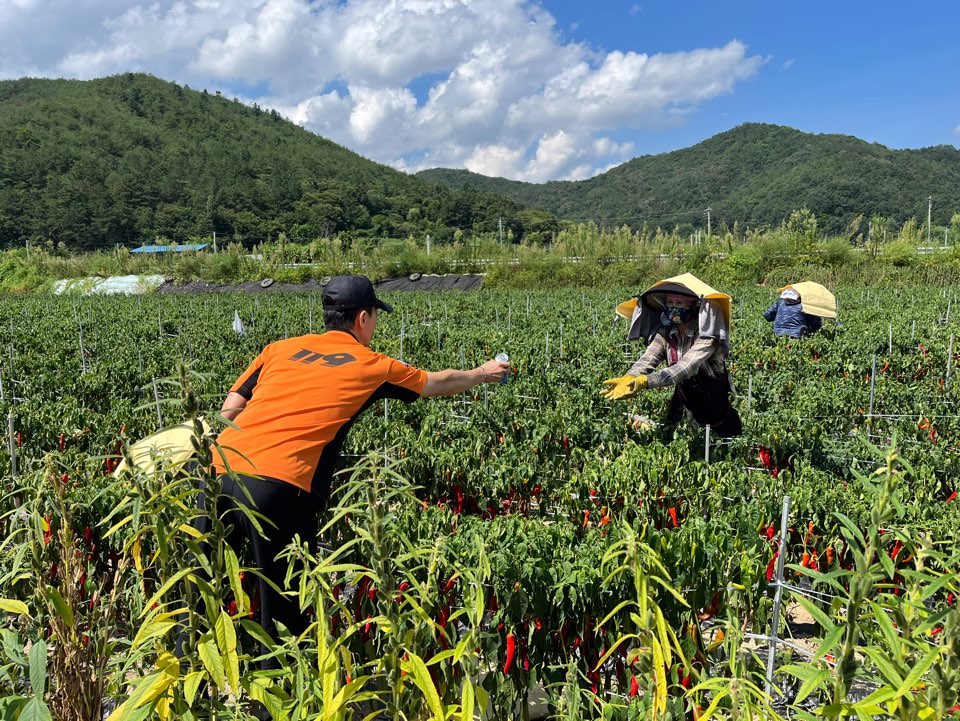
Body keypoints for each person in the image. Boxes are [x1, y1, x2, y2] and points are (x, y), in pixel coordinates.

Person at [204, 274, 510, 666]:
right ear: (363, 318)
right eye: (375, 318)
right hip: (279, 487)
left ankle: (190, 695)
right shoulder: (371, 364)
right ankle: (275, 705)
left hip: (217, 471)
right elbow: (435, 383)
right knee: (283, 613)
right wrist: (483, 373)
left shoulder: (279, 349)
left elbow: (231, 407)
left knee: (201, 593)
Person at [601, 273, 742, 438]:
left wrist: (645, 381)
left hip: (715, 406)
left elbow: (686, 367)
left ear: (694, 306)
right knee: (679, 439)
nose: (674, 307)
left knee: (720, 446)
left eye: (679, 303)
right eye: (670, 302)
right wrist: (631, 376)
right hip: (686, 399)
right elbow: (648, 358)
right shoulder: (666, 332)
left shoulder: (708, 337)